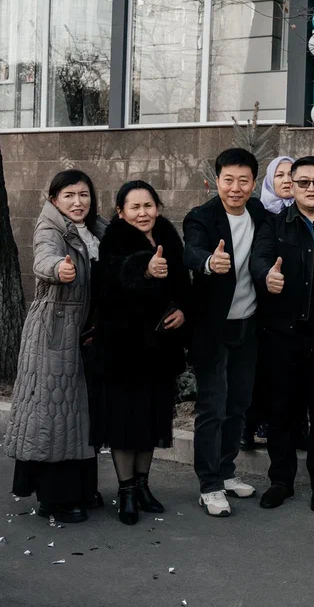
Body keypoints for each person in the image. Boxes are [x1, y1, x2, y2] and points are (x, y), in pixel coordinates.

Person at [5, 170, 107, 524]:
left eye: (84, 195)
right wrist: (57, 270)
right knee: (54, 413)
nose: (78, 202)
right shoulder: (50, 228)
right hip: (54, 333)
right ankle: (54, 499)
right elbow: (43, 258)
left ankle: (81, 489)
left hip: (84, 333)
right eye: (69, 196)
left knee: (81, 413)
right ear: (54, 200)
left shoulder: (96, 229)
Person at [249, 156, 314, 513]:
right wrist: (266, 276)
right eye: (303, 182)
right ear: (293, 185)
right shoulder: (275, 224)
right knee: (282, 412)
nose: (310, 188)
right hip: (283, 335)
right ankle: (281, 481)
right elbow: (259, 258)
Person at [96, 181, 191, 525]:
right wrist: (145, 270)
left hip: (160, 349)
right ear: (121, 212)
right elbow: (110, 284)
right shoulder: (113, 240)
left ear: (158, 207)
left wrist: (183, 310)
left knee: (151, 418)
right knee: (126, 421)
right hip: (124, 349)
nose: (142, 213)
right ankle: (125, 491)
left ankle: (142, 485)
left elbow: (183, 285)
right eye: (134, 207)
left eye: (148, 205)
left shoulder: (168, 237)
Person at [183, 148, 266, 517]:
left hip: (247, 323)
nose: (236, 188)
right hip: (212, 326)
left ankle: (227, 471)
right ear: (216, 180)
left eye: (243, 181)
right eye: (228, 180)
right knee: (212, 406)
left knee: (239, 403)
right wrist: (207, 261)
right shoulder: (201, 217)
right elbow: (190, 251)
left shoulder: (259, 213)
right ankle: (209, 484)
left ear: (253, 183)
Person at [243, 155, 296, 451]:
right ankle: (249, 428)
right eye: (280, 175)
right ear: (269, 181)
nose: (286, 180)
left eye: (291, 174)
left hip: (293, 304)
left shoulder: (311, 212)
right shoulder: (259, 213)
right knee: (259, 371)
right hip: (260, 301)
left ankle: (292, 428)